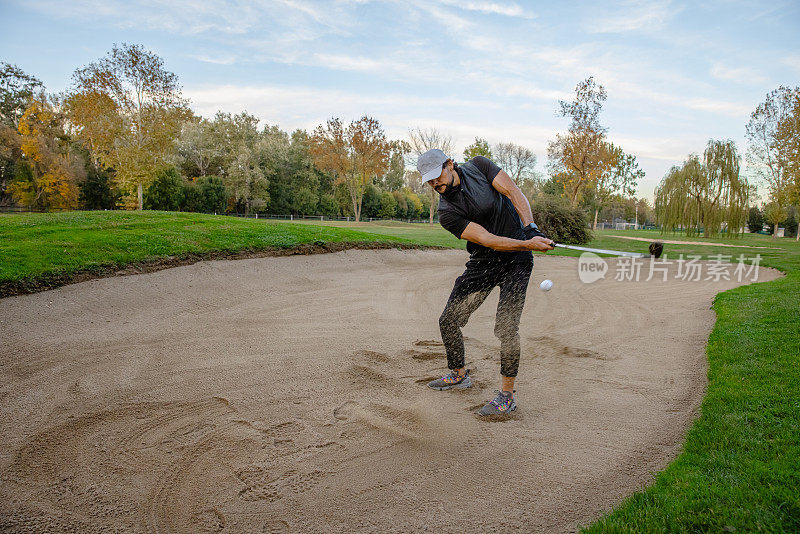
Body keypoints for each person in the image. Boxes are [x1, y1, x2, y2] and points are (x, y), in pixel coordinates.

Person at [417, 148, 554, 416]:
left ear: (450, 165)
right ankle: (458, 374)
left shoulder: (479, 166)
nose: (435, 184)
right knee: (449, 319)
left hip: (517, 263)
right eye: (429, 180)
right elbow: (488, 240)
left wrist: (531, 229)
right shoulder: (447, 212)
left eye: (437, 176)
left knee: (506, 327)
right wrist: (528, 243)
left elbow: (513, 191)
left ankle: (506, 395)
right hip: (484, 262)